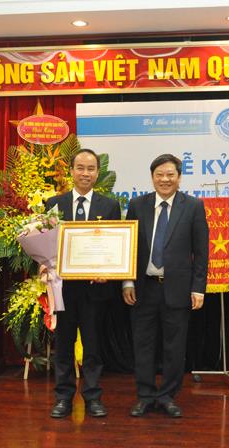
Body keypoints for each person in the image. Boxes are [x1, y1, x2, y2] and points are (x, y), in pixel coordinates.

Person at [123, 154, 209, 418]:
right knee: (143, 345)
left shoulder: (193, 206)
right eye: (159, 174)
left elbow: (201, 252)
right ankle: (145, 396)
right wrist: (127, 281)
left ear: (179, 177)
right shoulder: (137, 205)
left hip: (178, 289)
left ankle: (168, 396)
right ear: (152, 177)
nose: (165, 179)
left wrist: (198, 288)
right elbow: (128, 246)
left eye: (170, 174)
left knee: (175, 347)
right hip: (143, 288)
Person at [45, 148, 121, 419]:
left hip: (95, 289)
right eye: (80, 168)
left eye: (90, 169)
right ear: (71, 171)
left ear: (97, 173)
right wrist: (45, 265)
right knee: (63, 345)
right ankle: (63, 398)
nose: (85, 173)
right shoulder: (54, 204)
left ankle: (93, 397)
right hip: (63, 289)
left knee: (93, 346)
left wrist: (108, 270)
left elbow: (114, 245)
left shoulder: (109, 206)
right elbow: (46, 244)